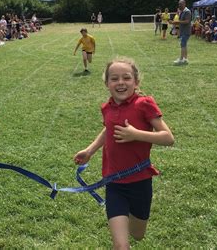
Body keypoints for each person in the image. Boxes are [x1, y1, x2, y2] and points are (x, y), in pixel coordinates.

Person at [73, 57, 174, 249]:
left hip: (140, 182)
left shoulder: (144, 104)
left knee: (137, 234)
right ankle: (119, 216)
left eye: (126, 78)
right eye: (114, 78)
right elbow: (108, 130)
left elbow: (168, 138)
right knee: (121, 245)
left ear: (136, 82)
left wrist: (135, 134)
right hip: (114, 183)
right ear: (107, 83)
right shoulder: (107, 107)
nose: (120, 83)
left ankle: (128, 216)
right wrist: (90, 150)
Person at [172, 0, 192, 65]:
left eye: (180, 4)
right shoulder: (182, 11)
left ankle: (181, 59)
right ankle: (185, 59)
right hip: (183, 31)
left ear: (184, 4)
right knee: (184, 45)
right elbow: (181, 21)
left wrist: (176, 22)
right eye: (179, 4)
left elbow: (187, 21)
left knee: (183, 44)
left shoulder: (187, 11)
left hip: (186, 31)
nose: (179, 5)